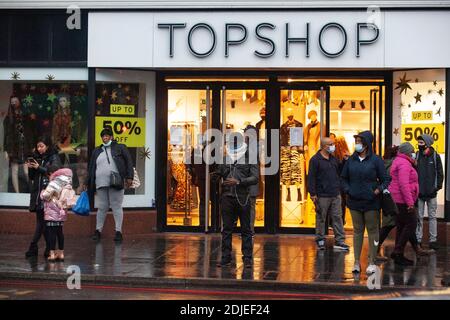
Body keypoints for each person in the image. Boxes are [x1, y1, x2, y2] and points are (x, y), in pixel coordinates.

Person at [341, 131, 389, 275]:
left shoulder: (376, 160)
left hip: (371, 202)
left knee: (373, 231)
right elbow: (343, 178)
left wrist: (378, 190)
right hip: (354, 201)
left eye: (359, 141)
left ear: (367, 144)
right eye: (356, 141)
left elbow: (386, 179)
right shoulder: (351, 160)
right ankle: (356, 262)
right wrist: (348, 190)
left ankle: (372, 261)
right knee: (357, 231)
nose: (357, 144)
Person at [215, 135, 259, 268]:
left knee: (246, 229)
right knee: (226, 229)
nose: (232, 144)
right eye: (231, 142)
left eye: (235, 142)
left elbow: (255, 178)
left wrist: (239, 182)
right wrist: (216, 175)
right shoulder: (225, 157)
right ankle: (226, 257)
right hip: (227, 196)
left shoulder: (250, 158)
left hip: (243, 197)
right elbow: (219, 173)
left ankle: (247, 258)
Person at [87, 128, 134, 242]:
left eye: (107, 136)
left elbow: (129, 162)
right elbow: (92, 167)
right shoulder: (97, 151)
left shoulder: (120, 147)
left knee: (116, 206)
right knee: (102, 207)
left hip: (116, 181)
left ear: (112, 137)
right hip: (101, 183)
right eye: (103, 136)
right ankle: (98, 231)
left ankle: (118, 231)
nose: (105, 137)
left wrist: (129, 177)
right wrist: (89, 182)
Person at [308, 137, 349, 251]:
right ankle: (320, 239)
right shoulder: (315, 160)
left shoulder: (333, 159)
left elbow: (339, 172)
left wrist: (345, 161)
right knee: (321, 218)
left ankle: (340, 240)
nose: (333, 146)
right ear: (324, 146)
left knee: (337, 217)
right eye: (331, 144)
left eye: (333, 144)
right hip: (322, 194)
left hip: (335, 193)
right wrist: (313, 193)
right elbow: (311, 177)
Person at [25, 136, 61, 258]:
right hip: (38, 194)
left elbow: (54, 171)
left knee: (43, 223)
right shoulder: (36, 157)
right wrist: (31, 168)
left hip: (49, 195)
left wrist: (38, 167)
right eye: (38, 146)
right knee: (43, 223)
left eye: (42, 146)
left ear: (47, 146)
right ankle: (49, 249)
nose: (39, 149)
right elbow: (32, 177)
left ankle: (33, 247)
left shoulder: (54, 157)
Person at [388, 142, 422, 265]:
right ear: (407, 152)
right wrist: (410, 203)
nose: (414, 153)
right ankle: (398, 252)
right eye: (412, 151)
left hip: (397, 199)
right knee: (411, 223)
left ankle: (398, 253)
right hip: (402, 200)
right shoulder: (404, 163)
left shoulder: (401, 161)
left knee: (402, 225)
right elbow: (403, 185)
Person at [41, 167, 77, 262]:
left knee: (52, 233)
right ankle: (61, 254)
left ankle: (52, 254)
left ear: (52, 173)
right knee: (60, 233)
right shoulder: (68, 181)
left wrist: (42, 193)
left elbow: (46, 196)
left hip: (52, 212)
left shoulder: (54, 182)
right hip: (62, 212)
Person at [415, 134, 444, 251]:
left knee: (432, 217)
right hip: (419, 193)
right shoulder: (416, 156)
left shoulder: (435, 157)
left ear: (427, 143)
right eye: (419, 143)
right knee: (419, 217)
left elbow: (440, 173)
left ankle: (433, 240)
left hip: (432, 193)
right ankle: (418, 240)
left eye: (421, 143)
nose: (419, 145)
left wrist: (436, 187)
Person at [333, 136, 351, 225]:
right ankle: (341, 221)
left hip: (335, 182)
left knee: (335, 203)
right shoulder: (347, 156)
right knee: (342, 203)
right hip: (343, 183)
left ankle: (333, 222)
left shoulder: (333, 156)